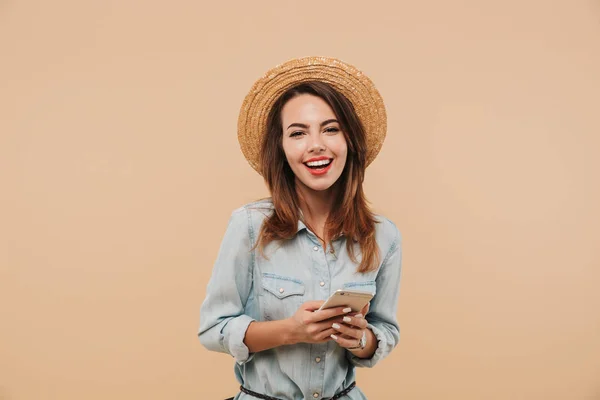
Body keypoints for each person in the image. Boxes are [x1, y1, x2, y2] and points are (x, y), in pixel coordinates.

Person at [198, 56, 403, 400]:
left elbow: (385, 330)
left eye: (330, 128)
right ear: (281, 148)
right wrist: (290, 331)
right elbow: (213, 329)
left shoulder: (384, 235)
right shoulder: (249, 226)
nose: (316, 145)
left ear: (349, 140)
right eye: (298, 133)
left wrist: (363, 339)